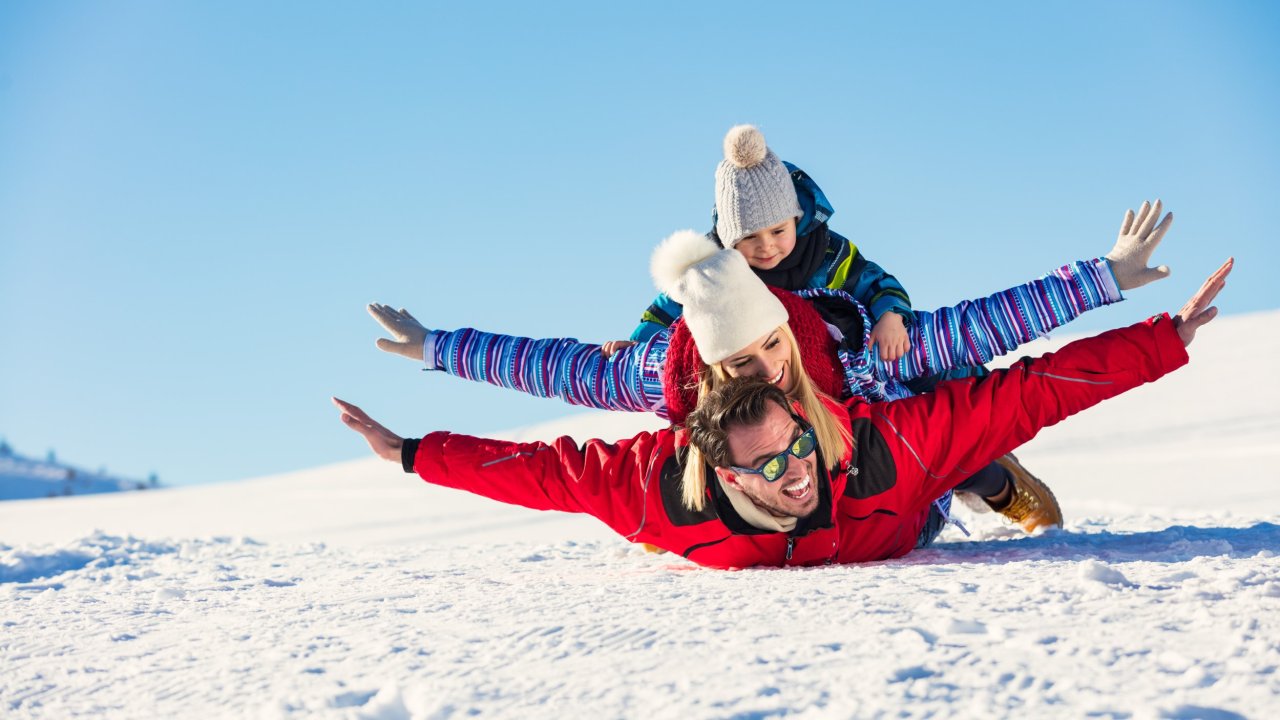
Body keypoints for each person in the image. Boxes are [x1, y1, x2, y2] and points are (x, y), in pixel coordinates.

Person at [335, 259, 1231, 569]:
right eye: (763, 468)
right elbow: (549, 442)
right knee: (643, 512)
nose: (789, 472)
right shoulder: (665, 464)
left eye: (790, 450)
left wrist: (1157, 330)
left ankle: (987, 482)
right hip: (695, 487)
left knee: (952, 411)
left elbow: (1024, 381)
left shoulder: (851, 386)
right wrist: (412, 443)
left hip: (901, 483)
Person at [367, 202, 1172, 531]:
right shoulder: (664, 375)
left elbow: (981, 326)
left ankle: (991, 480)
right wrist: (436, 347)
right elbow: (548, 367)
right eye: (739, 360)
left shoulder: (853, 348)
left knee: (945, 435)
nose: (764, 369)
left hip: (891, 487)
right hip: (765, 495)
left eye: (772, 345)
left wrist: (1105, 277)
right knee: (676, 503)